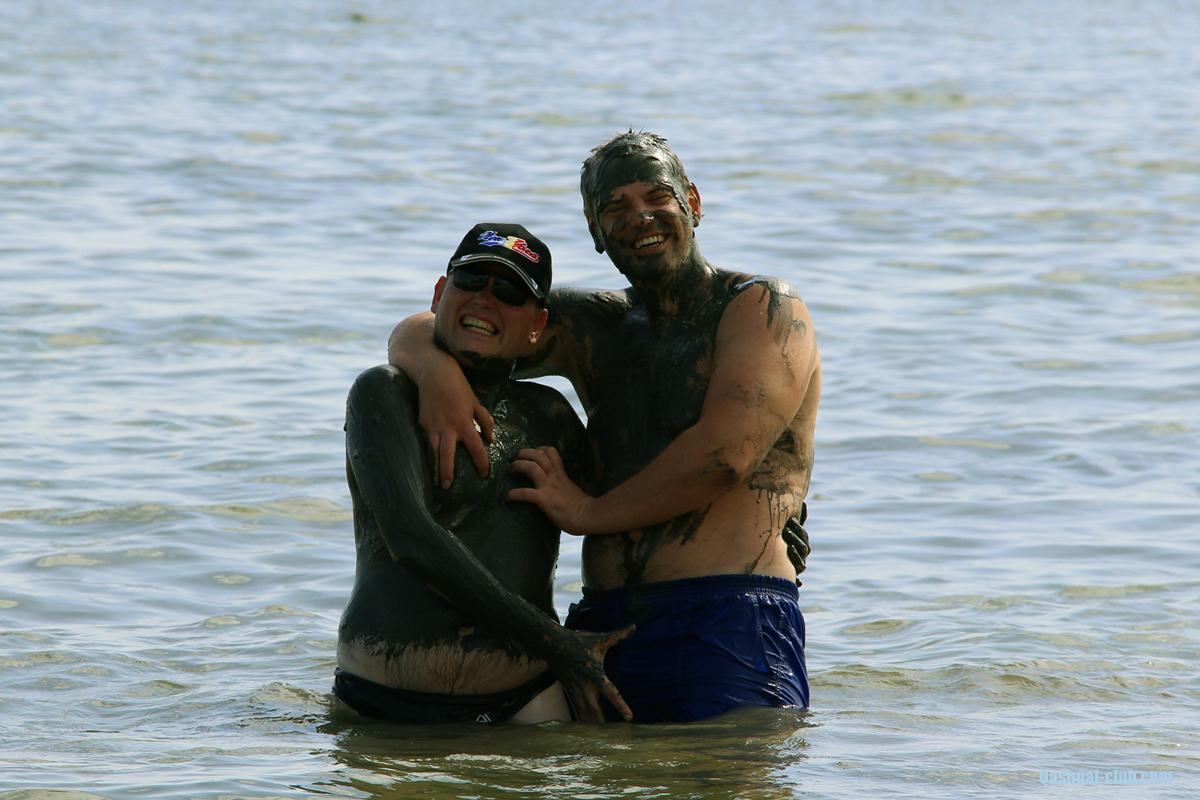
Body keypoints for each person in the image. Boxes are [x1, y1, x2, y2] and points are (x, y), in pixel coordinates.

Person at [389, 132, 820, 723]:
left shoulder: (762, 306)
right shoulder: (598, 325)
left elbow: (726, 454)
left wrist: (586, 512)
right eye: (615, 208)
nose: (640, 217)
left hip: (726, 612)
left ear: (693, 203)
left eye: (657, 197)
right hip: (602, 622)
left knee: (722, 769)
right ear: (595, 231)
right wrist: (438, 375)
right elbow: (446, 321)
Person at [336, 222, 633, 725]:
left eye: (510, 293)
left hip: (525, 697)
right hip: (381, 698)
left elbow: (625, 508)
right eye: (472, 281)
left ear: (537, 325)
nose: (485, 300)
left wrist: (580, 507)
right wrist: (555, 643)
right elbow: (411, 540)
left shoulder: (551, 415)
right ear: (439, 294)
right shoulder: (384, 393)